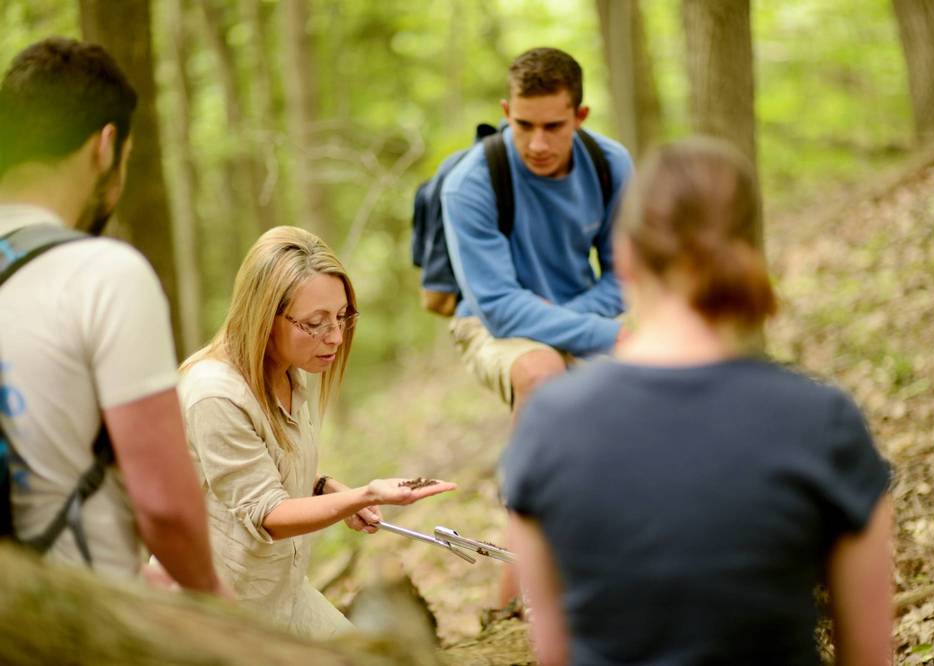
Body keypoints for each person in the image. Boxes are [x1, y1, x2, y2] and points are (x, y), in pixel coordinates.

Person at [502, 139, 893, 665]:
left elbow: (554, 652)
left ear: (624, 256)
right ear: (750, 251)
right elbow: (868, 656)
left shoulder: (548, 424)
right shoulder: (824, 423)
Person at [0, 37, 225, 595]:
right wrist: (215, 603)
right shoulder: (104, 275)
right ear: (105, 147)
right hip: (78, 621)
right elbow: (165, 509)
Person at [178, 225, 456, 640]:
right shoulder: (214, 395)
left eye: (342, 317)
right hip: (224, 614)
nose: (336, 337)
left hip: (285, 594)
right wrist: (364, 496)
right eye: (316, 322)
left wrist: (327, 489)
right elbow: (267, 515)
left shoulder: (292, 371)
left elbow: (269, 469)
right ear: (264, 316)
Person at [442, 47, 633, 417]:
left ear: (579, 117)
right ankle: (528, 477)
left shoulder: (611, 164)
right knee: (542, 373)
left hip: (581, 309)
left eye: (553, 127)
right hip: (488, 323)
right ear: (506, 113)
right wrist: (610, 335)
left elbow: (626, 277)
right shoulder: (468, 185)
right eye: (524, 126)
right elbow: (499, 308)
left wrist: (566, 318)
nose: (538, 145)